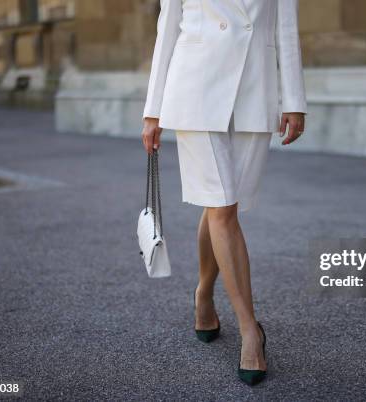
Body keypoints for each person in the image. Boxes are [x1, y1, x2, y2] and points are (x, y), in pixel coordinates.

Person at [140, 0, 306, 386]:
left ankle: (204, 291)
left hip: (254, 87)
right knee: (222, 208)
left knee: (222, 207)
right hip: (195, 88)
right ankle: (251, 331)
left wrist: (294, 100)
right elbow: (167, 30)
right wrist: (153, 111)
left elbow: (286, 28)